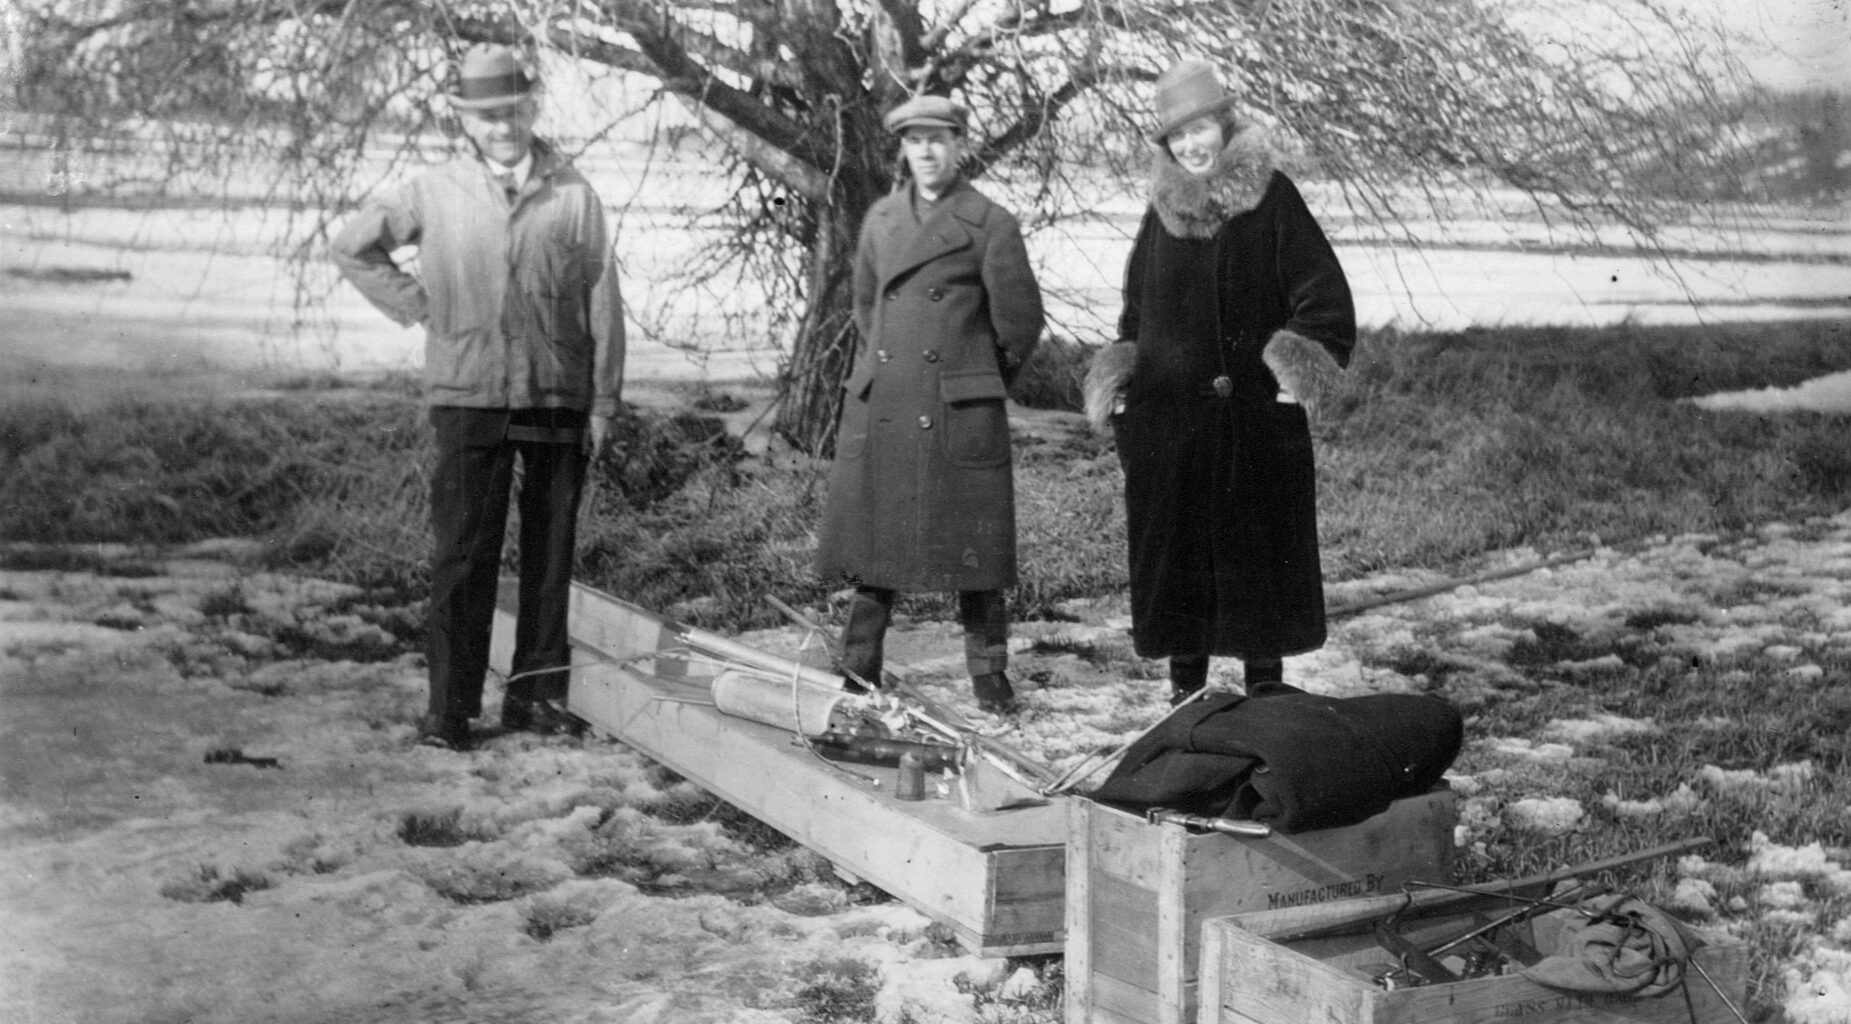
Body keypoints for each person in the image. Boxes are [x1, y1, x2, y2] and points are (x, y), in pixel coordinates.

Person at [332, 43, 626, 750]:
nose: (503, 126)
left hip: (557, 392)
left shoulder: (574, 195)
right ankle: (450, 707)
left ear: (533, 108)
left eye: (514, 111)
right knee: (464, 553)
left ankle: (536, 697)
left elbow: (603, 302)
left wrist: (603, 403)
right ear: (466, 121)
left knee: (550, 551)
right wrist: (422, 308)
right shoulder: (431, 190)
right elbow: (353, 247)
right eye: (487, 115)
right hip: (469, 394)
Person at [1085, 59, 1355, 705]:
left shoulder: (1272, 199)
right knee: (1180, 572)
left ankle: (1264, 700)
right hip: (1171, 428)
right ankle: (1184, 703)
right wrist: (1125, 380)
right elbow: (1135, 309)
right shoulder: (1161, 211)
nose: (1190, 146)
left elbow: (1324, 297)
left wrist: (1295, 367)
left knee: (1256, 569)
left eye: (1199, 129)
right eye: (1177, 138)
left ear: (1224, 126)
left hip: (1252, 427)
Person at [814, 95, 1046, 715]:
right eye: (915, 140)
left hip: (956, 408)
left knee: (976, 556)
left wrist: (973, 377)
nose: (926, 151)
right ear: (903, 149)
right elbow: (868, 310)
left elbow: (1019, 324)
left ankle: (990, 679)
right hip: (887, 400)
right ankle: (860, 669)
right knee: (876, 551)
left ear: (960, 144)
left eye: (938, 139)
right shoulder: (881, 219)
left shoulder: (990, 222)